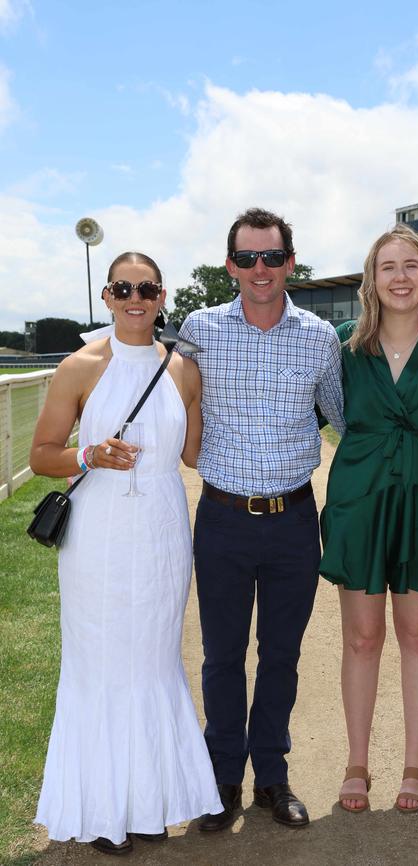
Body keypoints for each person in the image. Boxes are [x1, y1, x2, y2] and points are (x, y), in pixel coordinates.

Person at [30, 252, 222, 855]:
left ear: (163, 296)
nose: (135, 297)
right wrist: (88, 456)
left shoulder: (184, 369)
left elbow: (193, 454)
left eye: (147, 288)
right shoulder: (79, 366)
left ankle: (147, 805)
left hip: (163, 532)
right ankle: (101, 811)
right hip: (98, 537)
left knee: (153, 663)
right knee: (102, 665)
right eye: (123, 287)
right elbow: (42, 455)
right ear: (108, 296)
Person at [178, 208, 345, 831]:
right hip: (222, 519)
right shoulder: (199, 328)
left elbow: (342, 416)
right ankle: (221, 779)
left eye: (271, 257)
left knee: (281, 653)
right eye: (246, 258)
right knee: (222, 655)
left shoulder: (319, 336)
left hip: (293, 521)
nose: (259, 270)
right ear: (230, 266)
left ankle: (271, 775)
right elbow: (168, 397)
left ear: (289, 264)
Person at [319, 224, 418, 814]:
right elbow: (312, 409)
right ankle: (356, 763)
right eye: (387, 267)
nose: (400, 277)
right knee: (362, 635)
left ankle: (414, 765)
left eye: (411, 266)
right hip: (360, 495)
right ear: (370, 281)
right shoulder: (344, 343)